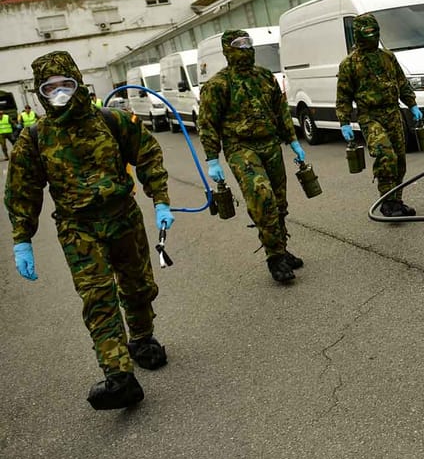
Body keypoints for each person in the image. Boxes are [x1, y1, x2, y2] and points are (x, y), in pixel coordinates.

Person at [5, 51, 172, 410]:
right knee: (98, 299)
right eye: (50, 88)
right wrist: (22, 239)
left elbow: (147, 154)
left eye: (66, 84)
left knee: (138, 285)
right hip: (78, 229)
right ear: (39, 93)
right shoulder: (35, 138)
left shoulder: (111, 120)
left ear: (79, 83)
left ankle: (142, 339)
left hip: (124, 217)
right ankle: (119, 376)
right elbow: (22, 191)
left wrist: (160, 199)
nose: (60, 93)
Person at [198, 29, 306, 284]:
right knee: (262, 198)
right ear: (228, 49)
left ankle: (281, 248)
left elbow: (280, 110)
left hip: (270, 144)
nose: (245, 48)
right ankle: (274, 258)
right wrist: (212, 159)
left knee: (279, 202)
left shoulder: (264, 76)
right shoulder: (217, 85)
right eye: (239, 44)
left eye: (248, 43)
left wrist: (293, 140)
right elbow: (207, 124)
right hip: (240, 148)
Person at [337, 13, 422, 217]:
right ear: (358, 34)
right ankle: (387, 202)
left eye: (374, 31)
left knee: (399, 160)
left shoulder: (387, 57)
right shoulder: (349, 64)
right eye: (367, 32)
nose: (372, 36)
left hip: (393, 113)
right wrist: (344, 121)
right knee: (386, 156)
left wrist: (412, 104)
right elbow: (343, 96)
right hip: (370, 117)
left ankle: (397, 201)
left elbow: (401, 82)